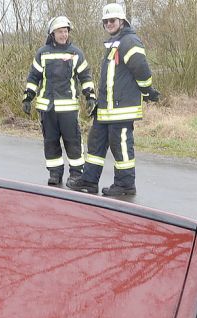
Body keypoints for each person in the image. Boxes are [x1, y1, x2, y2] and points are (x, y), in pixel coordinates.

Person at [69, 3, 159, 197]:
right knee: (95, 143)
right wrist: (97, 102)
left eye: (112, 20)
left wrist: (148, 90)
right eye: (106, 21)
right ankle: (89, 181)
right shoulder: (114, 43)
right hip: (106, 108)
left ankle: (126, 185)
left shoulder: (129, 41)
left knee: (121, 147)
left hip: (121, 109)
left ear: (122, 21)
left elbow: (142, 70)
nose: (109, 24)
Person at [22, 16, 95, 188]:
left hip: (68, 108)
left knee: (73, 141)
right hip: (47, 108)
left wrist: (90, 96)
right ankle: (55, 173)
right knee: (51, 141)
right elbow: (34, 77)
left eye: (65, 31)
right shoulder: (43, 53)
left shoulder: (76, 53)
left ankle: (77, 174)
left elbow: (85, 77)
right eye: (60, 32)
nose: (63, 35)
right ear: (52, 33)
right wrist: (28, 97)